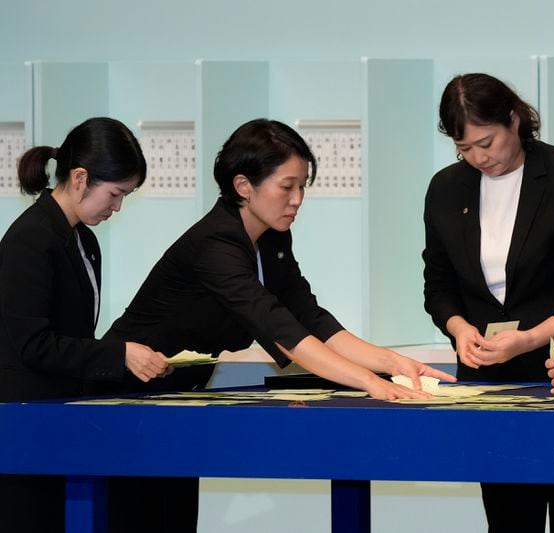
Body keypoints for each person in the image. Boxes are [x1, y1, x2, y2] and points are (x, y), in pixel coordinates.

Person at [102, 118, 455, 533]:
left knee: (175, 516)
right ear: (243, 186)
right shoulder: (214, 244)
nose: (297, 199)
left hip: (175, 399)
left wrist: (392, 362)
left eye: (303, 186)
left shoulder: (270, 236)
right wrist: (370, 382)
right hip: (122, 396)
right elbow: (282, 332)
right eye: (286, 186)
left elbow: (309, 317)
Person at [423, 73, 554, 533]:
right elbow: (438, 285)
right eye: (464, 149)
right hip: (494, 382)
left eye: (486, 142)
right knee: (509, 519)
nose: (479, 158)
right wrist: (459, 328)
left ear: (514, 119)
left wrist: (529, 338)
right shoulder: (447, 188)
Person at [0, 117, 169, 533]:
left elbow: (74, 336)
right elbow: (31, 345)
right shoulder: (30, 240)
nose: (117, 207)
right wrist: (118, 354)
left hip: (62, 417)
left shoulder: (83, 239)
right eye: (115, 194)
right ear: (80, 178)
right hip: (27, 426)